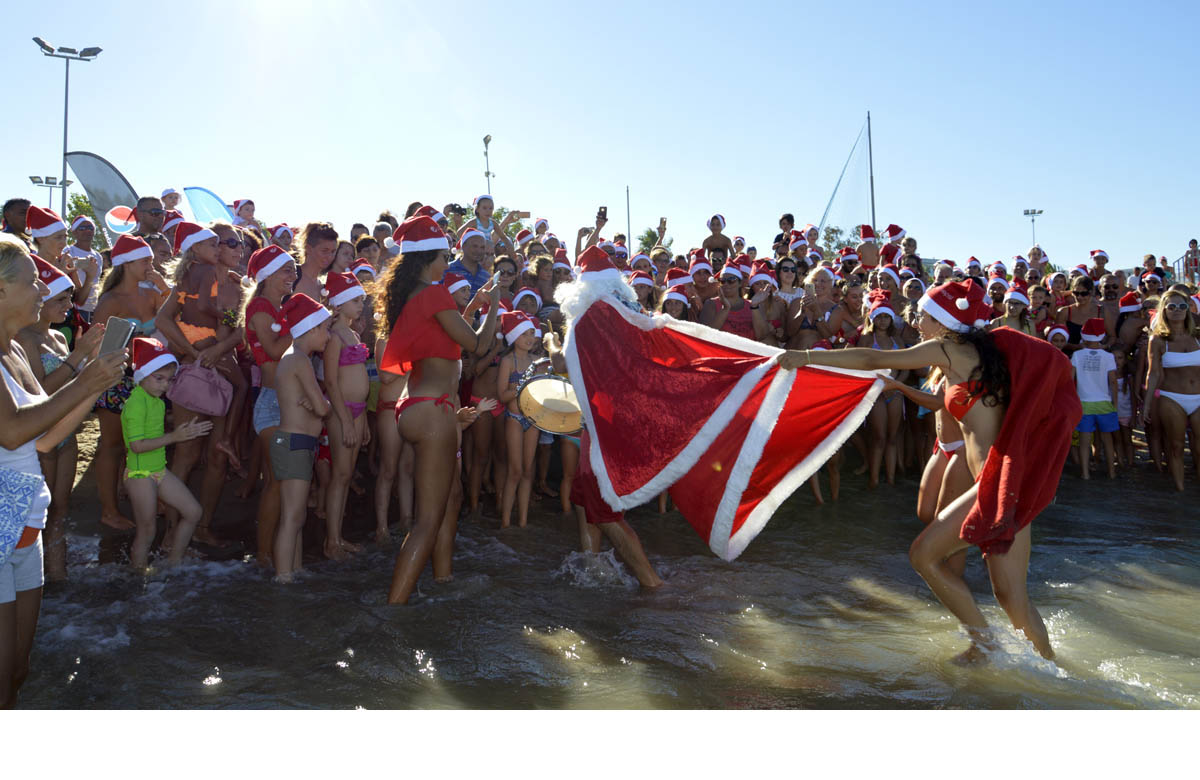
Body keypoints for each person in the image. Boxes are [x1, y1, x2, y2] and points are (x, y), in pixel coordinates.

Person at [788, 280, 1079, 661]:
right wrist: (900, 389)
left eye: (923, 315)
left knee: (926, 557)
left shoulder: (945, 348)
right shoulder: (979, 351)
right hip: (1005, 483)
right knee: (1009, 595)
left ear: (942, 321)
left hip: (997, 485)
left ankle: (989, 647)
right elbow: (947, 400)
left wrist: (807, 357)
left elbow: (873, 359)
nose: (917, 320)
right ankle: (1043, 669)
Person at [0, 234, 126, 709]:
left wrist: (95, 379)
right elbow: (11, 432)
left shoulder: (12, 350)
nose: (43, 291)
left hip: (25, 524)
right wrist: (85, 378)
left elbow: (47, 435)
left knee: (18, 671)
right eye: (33, 282)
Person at [378, 216, 500, 605]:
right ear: (429, 258)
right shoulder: (433, 293)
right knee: (427, 521)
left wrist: (472, 308)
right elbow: (478, 346)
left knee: (450, 500)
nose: (448, 262)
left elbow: (446, 340)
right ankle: (394, 610)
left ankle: (444, 579)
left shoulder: (417, 296)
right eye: (445, 256)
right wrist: (494, 303)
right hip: (434, 413)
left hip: (419, 406)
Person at [16, 257, 104, 581]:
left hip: (66, 433)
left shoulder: (58, 338)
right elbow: (39, 393)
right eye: (62, 300)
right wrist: (79, 360)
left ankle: (58, 576)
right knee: (39, 514)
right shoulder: (24, 340)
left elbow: (71, 383)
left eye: (69, 298)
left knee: (61, 512)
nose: (70, 305)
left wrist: (90, 361)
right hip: (40, 435)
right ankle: (33, 580)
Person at [153, 223, 240, 546]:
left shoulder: (235, 284)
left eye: (234, 244)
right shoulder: (190, 281)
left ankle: (201, 529)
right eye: (226, 243)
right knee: (187, 452)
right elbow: (163, 319)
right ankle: (172, 533)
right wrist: (191, 353)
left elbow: (240, 328)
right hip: (195, 371)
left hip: (224, 371)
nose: (232, 249)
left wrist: (220, 346)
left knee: (217, 455)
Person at [89, 235, 163, 531]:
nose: (151, 264)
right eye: (145, 260)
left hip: (145, 382)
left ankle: (139, 501)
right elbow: (98, 349)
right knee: (113, 446)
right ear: (127, 264)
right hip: (116, 379)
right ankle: (109, 510)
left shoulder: (150, 293)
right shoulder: (111, 301)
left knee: (141, 443)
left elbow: (173, 314)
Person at [122, 338, 211, 569]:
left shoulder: (157, 402)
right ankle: (138, 578)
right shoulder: (136, 403)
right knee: (147, 531)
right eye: (158, 378)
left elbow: (155, 428)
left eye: (169, 380)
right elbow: (137, 446)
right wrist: (175, 437)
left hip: (158, 471)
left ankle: (174, 563)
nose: (164, 386)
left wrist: (184, 428)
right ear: (142, 376)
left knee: (193, 512)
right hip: (140, 474)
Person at [270, 294, 333, 582]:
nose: (329, 336)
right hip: (295, 443)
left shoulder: (295, 358)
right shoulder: (299, 360)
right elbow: (322, 408)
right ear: (310, 329)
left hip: (297, 443)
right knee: (293, 516)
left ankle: (293, 572)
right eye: (326, 329)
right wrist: (323, 404)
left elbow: (316, 406)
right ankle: (283, 577)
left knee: (295, 516)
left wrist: (318, 404)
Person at [243, 246, 297, 566]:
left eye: (293, 269)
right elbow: (276, 351)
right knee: (277, 484)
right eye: (286, 270)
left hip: (282, 401)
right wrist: (299, 322)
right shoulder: (262, 305)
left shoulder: (276, 307)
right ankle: (263, 555)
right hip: (273, 403)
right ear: (267, 276)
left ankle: (270, 552)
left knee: (277, 483)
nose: (292, 276)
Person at [320, 272, 371, 560]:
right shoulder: (334, 336)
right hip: (343, 413)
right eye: (355, 300)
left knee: (346, 474)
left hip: (358, 412)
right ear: (338, 304)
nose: (360, 304)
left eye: (362, 299)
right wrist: (345, 420)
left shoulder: (352, 332)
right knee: (339, 475)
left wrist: (361, 422)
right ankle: (331, 541)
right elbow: (330, 382)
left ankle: (338, 537)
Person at [1143, 289, 1200, 492]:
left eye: (1182, 306)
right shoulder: (1158, 340)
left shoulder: (1198, 336)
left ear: (1188, 310)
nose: (1177, 311)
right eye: (1172, 307)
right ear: (1164, 311)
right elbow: (1153, 374)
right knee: (1175, 446)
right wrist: (1147, 404)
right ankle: (1180, 491)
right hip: (1171, 397)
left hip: (1198, 397)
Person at [496, 312, 546, 529]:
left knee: (527, 472)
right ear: (514, 336)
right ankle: (506, 523)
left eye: (532, 333)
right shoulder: (508, 361)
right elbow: (502, 396)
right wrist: (520, 388)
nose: (529, 338)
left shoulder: (538, 362)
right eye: (524, 333)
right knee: (515, 471)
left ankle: (523, 522)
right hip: (515, 418)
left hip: (533, 419)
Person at [1072, 319, 1118, 480]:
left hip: (1083, 402)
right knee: (1108, 440)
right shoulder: (1108, 356)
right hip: (1104, 403)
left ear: (1083, 336)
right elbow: (1113, 381)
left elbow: (1071, 380)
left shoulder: (1077, 355)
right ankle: (1112, 472)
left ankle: (1085, 474)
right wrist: (1115, 403)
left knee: (1084, 441)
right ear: (1102, 336)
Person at [65, 216, 104, 323]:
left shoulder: (98, 256)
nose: (87, 230)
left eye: (91, 228)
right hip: (75, 307)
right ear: (74, 232)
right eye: (82, 228)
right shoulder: (68, 251)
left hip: (93, 309)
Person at [294, 222, 338, 301]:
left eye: (333, 252)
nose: (330, 257)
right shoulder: (291, 276)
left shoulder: (321, 287)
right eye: (324, 251)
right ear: (309, 249)